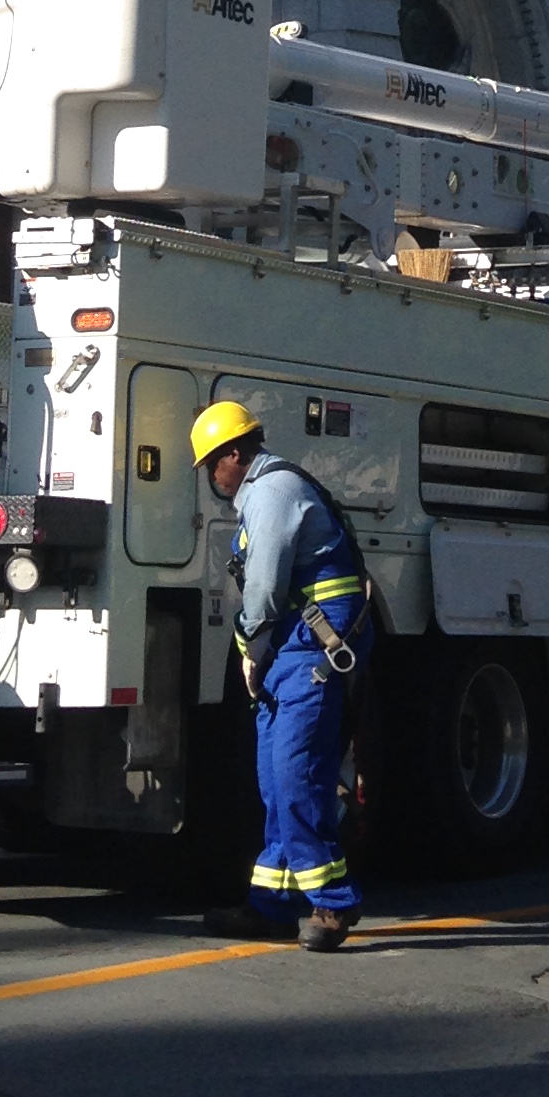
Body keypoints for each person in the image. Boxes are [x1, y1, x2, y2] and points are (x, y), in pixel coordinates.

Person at [191, 398, 368, 951]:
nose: (212, 478)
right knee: (274, 778)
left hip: (312, 645)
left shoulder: (272, 491)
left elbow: (265, 587)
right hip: (293, 647)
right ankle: (271, 903)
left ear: (234, 455)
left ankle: (334, 902)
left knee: (296, 774)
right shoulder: (266, 492)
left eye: (211, 465)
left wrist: (250, 643)